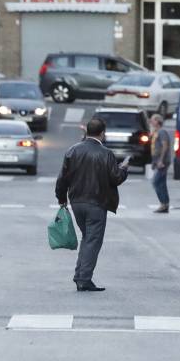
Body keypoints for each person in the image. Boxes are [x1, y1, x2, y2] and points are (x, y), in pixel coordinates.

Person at [56, 118, 129, 291]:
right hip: (97, 202)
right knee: (93, 241)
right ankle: (83, 279)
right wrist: (124, 168)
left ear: (86, 131)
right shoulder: (106, 153)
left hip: (76, 202)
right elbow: (116, 178)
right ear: (103, 133)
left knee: (87, 238)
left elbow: (62, 178)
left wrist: (61, 198)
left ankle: (80, 275)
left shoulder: (72, 150)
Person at [149, 114, 172, 213]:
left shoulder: (162, 132)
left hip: (162, 161)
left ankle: (163, 203)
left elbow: (165, 146)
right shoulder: (156, 132)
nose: (151, 122)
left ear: (158, 121)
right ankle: (165, 204)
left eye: (152, 120)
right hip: (158, 161)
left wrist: (161, 160)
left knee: (156, 182)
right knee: (161, 183)